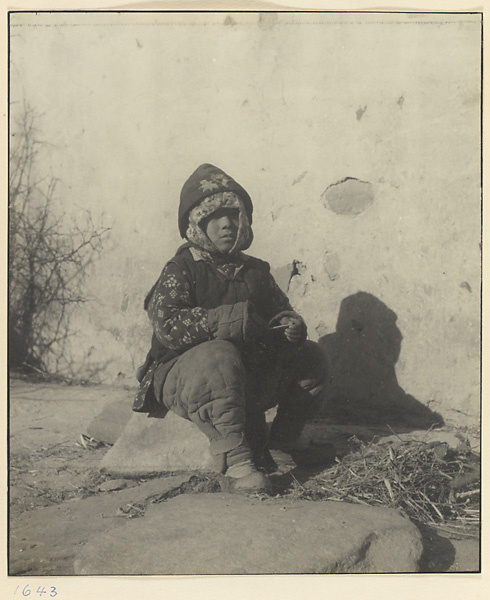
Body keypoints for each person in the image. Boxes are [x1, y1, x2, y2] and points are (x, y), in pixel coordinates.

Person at [133, 164, 327, 493]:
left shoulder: (256, 271)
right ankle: (236, 462)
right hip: (186, 377)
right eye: (215, 216)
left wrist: (292, 326)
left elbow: (280, 312)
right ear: (197, 224)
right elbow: (166, 324)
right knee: (218, 355)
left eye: (234, 215)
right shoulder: (182, 269)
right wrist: (225, 320)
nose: (227, 224)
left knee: (311, 357)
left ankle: (279, 444)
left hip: (245, 378)